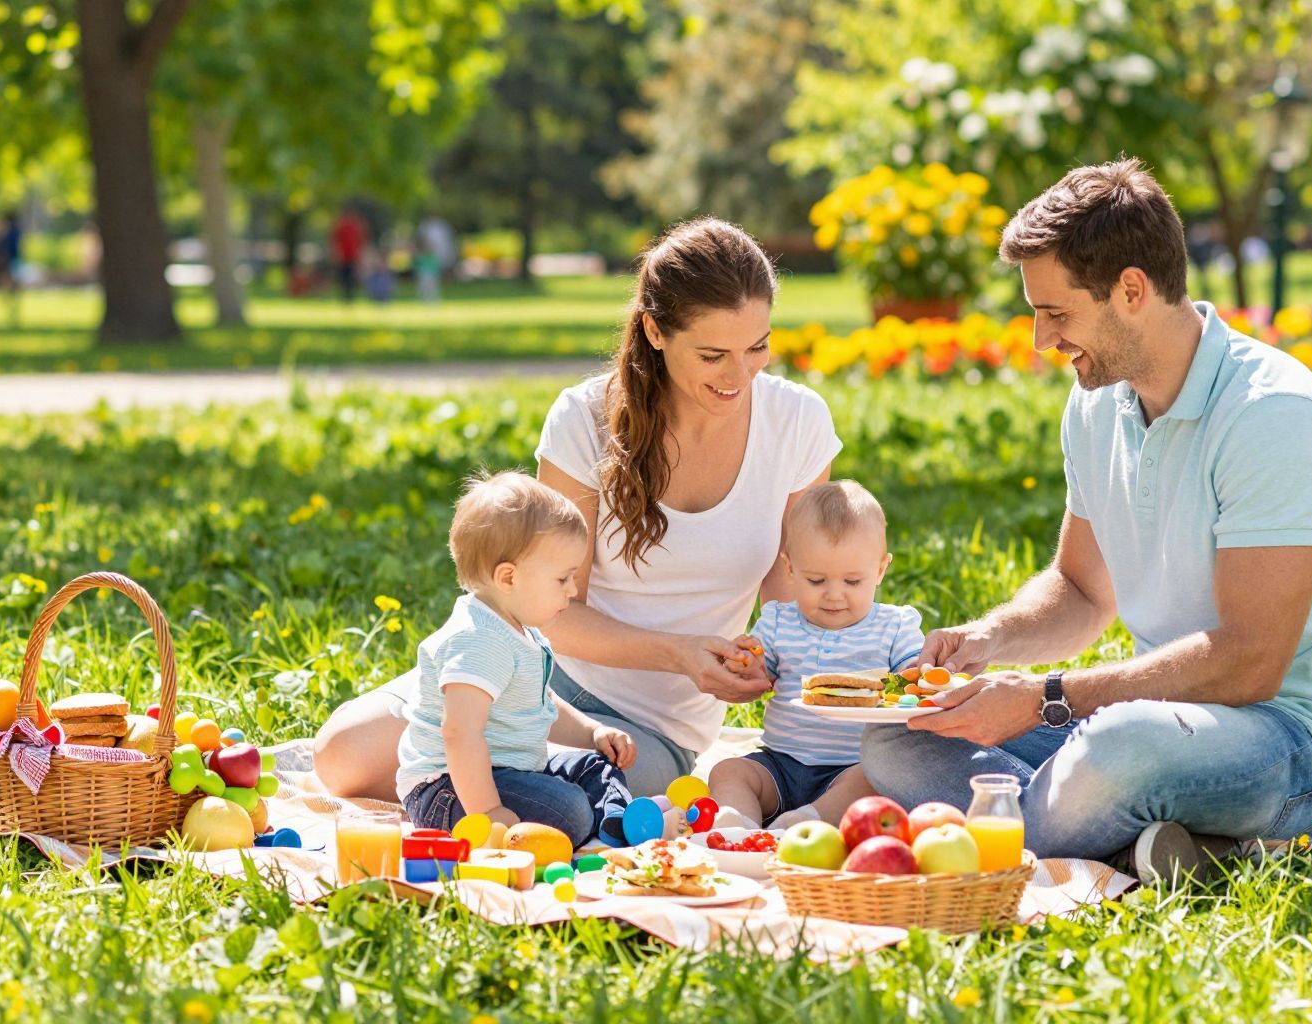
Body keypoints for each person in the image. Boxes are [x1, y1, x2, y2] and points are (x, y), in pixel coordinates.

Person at [860, 159, 1312, 883]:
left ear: (1132, 290)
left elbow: (1250, 661)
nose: (1043, 341)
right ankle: (1153, 842)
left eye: (1058, 313)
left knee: (1118, 752)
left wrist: (1046, 700)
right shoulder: (1097, 402)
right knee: (895, 745)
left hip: (1292, 743)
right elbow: (1080, 590)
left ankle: (1044, 826)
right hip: (1149, 713)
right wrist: (990, 640)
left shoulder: (1272, 416)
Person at [313, 217, 841, 801]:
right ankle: (469, 774)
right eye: (714, 354)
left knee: (563, 803)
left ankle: (468, 779)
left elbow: (788, 584)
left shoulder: (797, 422)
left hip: (645, 728)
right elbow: (552, 613)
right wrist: (679, 654)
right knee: (341, 755)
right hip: (527, 674)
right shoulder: (584, 418)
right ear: (656, 331)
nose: (740, 375)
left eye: (758, 347)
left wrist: (771, 658)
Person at [398, 472, 634, 847]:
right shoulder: (479, 640)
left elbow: (538, 704)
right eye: (563, 579)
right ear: (508, 578)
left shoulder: (521, 631)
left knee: (594, 765)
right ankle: (595, 823)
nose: (574, 590)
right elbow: (459, 733)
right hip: (449, 790)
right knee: (569, 808)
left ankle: (619, 823)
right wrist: (486, 811)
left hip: (509, 769)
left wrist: (592, 733)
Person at [708, 481, 924, 831]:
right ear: (790, 568)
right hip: (780, 763)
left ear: (881, 570)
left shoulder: (895, 626)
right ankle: (740, 826)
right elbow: (761, 672)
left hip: (850, 766)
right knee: (728, 771)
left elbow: (913, 678)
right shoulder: (780, 620)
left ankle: (806, 822)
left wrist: (918, 672)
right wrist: (745, 662)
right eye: (816, 580)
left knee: (873, 784)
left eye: (852, 582)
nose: (834, 595)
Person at [330, 205, 366, 304]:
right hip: (344, 257)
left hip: (352, 256)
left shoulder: (356, 225)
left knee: (351, 278)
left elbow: (360, 241)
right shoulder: (342, 225)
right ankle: (345, 297)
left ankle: (350, 297)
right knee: (344, 278)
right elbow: (335, 240)